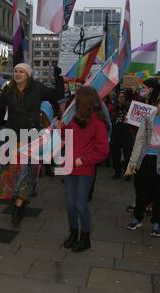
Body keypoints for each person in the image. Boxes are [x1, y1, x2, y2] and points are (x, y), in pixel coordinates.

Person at [0, 63, 59, 226]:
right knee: (11, 173)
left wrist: (59, 78)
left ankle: (17, 208)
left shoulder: (37, 88)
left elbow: (55, 96)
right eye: (15, 71)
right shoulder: (10, 89)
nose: (17, 73)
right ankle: (20, 198)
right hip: (12, 137)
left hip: (31, 137)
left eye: (21, 71)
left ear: (28, 75)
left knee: (24, 171)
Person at [125, 93, 160, 237]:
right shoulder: (148, 119)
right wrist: (133, 161)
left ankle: (157, 222)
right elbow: (139, 140)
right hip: (146, 159)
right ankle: (137, 218)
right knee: (141, 192)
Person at [61, 87, 109, 252]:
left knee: (80, 204)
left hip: (84, 169)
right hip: (68, 166)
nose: (75, 101)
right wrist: (60, 128)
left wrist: (84, 160)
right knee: (69, 204)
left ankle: (85, 237)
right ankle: (74, 233)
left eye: (77, 98)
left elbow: (103, 150)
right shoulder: (74, 119)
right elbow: (66, 137)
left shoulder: (98, 123)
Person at [111, 90, 134, 180]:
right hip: (116, 134)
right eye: (119, 97)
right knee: (115, 155)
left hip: (126, 134)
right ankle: (117, 172)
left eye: (123, 97)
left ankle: (128, 173)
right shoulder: (114, 107)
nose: (121, 99)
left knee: (128, 155)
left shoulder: (129, 107)